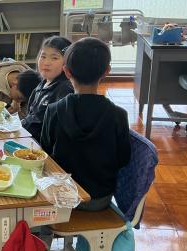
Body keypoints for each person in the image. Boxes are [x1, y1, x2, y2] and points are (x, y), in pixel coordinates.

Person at [41, 37, 131, 211]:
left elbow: (45, 152)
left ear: (67, 72)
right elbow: (123, 159)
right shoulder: (119, 115)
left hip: (61, 198)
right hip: (100, 200)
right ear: (106, 71)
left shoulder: (53, 110)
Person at [21, 36, 73, 142]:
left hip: (43, 148)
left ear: (67, 62)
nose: (46, 62)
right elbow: (30, 116)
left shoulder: (65, 90)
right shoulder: (41, 84)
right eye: (43, 56)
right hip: (28, 140)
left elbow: (57, 132)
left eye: (54, 58)